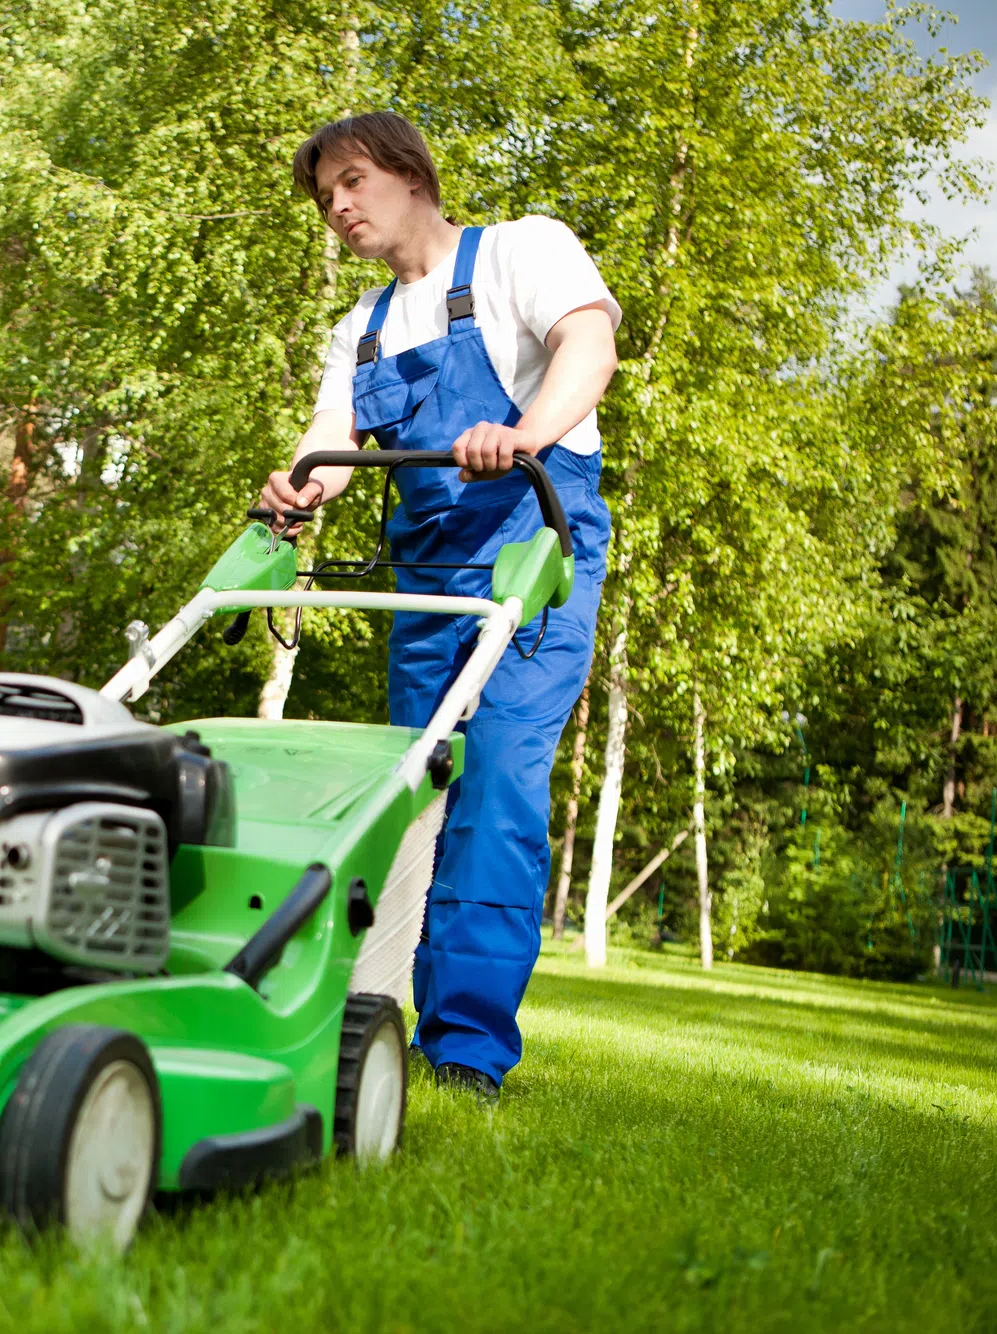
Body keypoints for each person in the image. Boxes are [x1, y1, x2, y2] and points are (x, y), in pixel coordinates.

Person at [260, 112, 619, 1100]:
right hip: (427, 585)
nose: (337, 206)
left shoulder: (520, 250)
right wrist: (299, 486)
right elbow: (331, 430)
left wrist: (521, 432)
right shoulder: (361, 326)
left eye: (351, 181)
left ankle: (462, 1052)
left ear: (410, 172)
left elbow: (587, 349)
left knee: (495, 788)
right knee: (411, 800)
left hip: (530, 560)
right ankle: (368, 1019)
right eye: (324, 195)